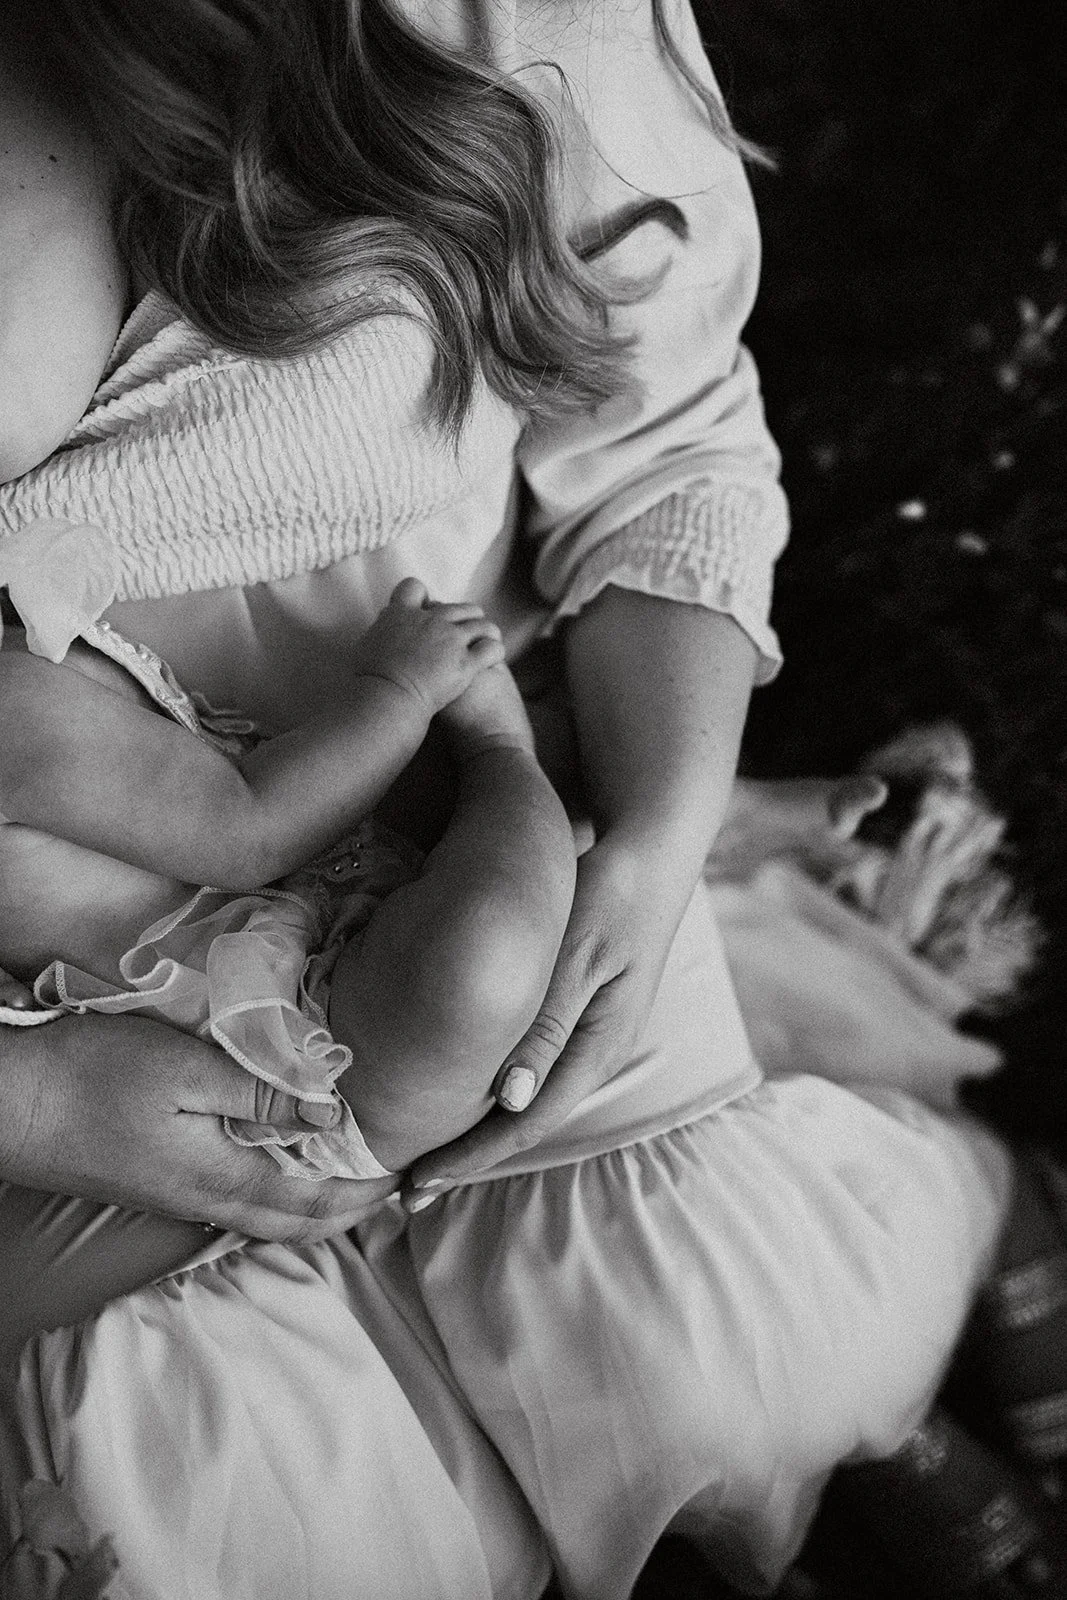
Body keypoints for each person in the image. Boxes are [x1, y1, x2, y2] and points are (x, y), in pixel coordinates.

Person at [0, 0, 1016, 1595]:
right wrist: (44, 1101)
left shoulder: (516, 27)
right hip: (80, 913)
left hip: (454, 743)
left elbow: (668, 453)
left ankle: (967, 1264)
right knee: (226, 1516)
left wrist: (652, 835)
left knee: (712, 1361)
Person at [0, 529, 575, 1176]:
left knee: (504, 862)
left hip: (307, 962)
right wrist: (398, 689)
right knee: (481, 964)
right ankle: (501, 748)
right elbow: (250, 830)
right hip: (310, 1052)